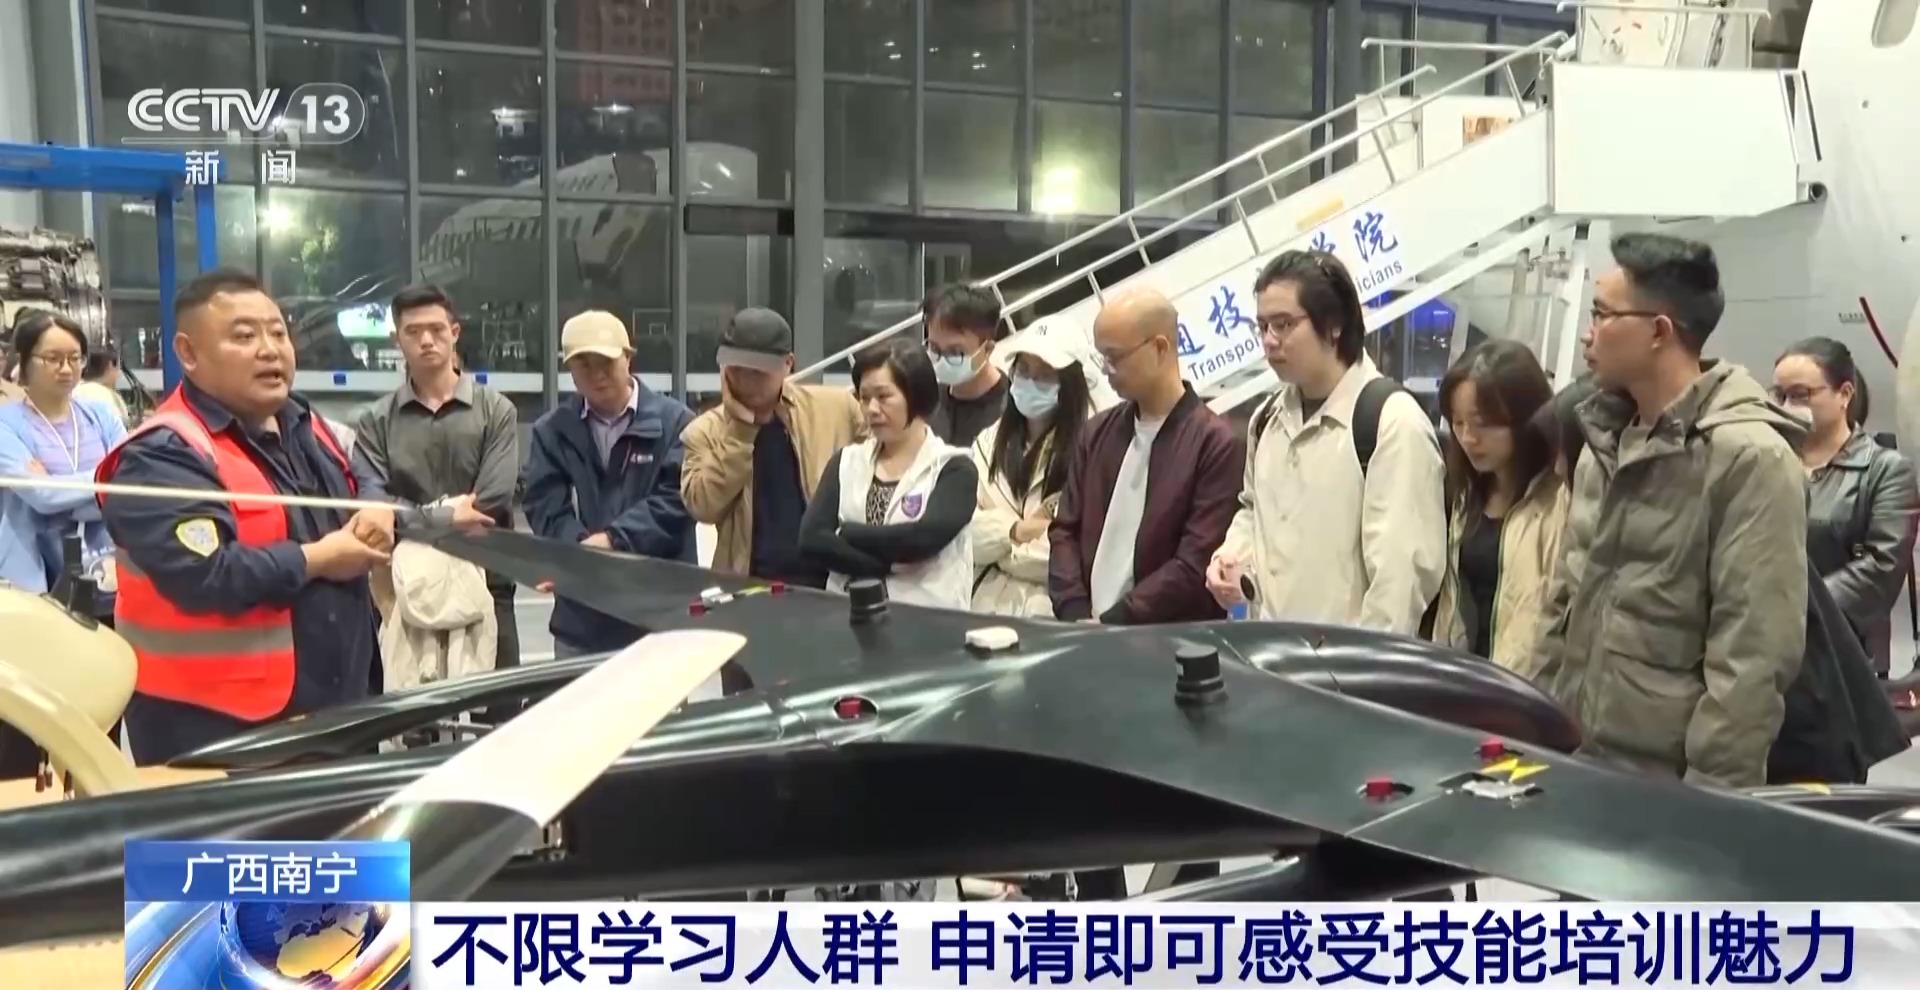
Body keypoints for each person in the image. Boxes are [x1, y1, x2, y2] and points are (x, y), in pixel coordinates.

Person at [1534, 233, 1808, 788]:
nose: (1589, 332)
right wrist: (1533, 728)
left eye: (1602, 314)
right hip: (1576, 761)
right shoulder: (1605, 442)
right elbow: (1563, 604)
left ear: (1659, 331)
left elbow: (1751, 662)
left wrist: (1708, 806)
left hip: (1666, 787)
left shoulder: (1748, 457)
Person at [97, 269, 389, 765]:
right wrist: (319, 558)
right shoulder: (162, 454)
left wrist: (376, 504)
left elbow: (365, 469)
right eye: (244, 336)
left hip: (339, 708)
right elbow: (205, 574)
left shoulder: (307, 423)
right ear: (188, 353)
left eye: (278, 332)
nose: (270, 350)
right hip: (215, 731)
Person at [1204, 250, 1445, 634]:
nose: (1269, 341)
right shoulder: (1266, 420)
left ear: (1334, 326)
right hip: (1269, 650)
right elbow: (1252, 509)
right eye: (1262, 326)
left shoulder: (1390, 422)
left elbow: (1399, 585)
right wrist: (1231, 554)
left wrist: (1354, 666)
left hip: (1341, 664)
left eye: (1284, 325)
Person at [351, 285, 517, 676]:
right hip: (406, 584)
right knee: (411, 705)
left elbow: (490, 501)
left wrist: (407, 518)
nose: (426, 340)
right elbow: (375, 507)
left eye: (437, 329)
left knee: (495, 703)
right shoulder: (376, 421)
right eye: (413, 332)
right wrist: (446, 516)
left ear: (454, 333)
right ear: (397, 339)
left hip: (486, 578)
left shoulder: (495, 410)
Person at [1051, 287, 1242, 627]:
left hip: (1169, 636)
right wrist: (1074, 610)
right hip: (1085, 629)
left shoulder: (1215, 443)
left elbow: (1193, 561)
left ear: (1159, 348)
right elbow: (1064, 530)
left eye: (1115, 357)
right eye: (1101, 357)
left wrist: (1115, 621)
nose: (1106, 370)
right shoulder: (1096, 432)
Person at [523, 310, 696, 658]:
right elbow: (544, 505)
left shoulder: (676, 423)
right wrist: (577, 549)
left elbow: (678, 499)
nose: (597, 373)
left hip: (658, 615)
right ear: (569, 369)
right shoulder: (552, 431)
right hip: (582, 618)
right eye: (583, 364)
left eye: (606, 362)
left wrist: (615, 539)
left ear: (628, 358)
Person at [680, 308, 865, 583]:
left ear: (788, 363)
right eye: (737, 369)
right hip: (749, 582)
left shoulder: (837, 409)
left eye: (758, 372)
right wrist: (740, 432)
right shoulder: (703, 431)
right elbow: (704, 507)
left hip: (832, 581)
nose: (746, 381)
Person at [1773, 337, 1920, 676]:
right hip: (1764, 650)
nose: (1786, 406)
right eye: (1778, 395)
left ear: (1844, 394)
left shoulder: (1884, 470)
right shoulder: (1767, 459)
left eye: (1800, 395)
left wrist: (1793, 608)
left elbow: (1881, 567)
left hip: (1843, 657)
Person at [799, 338, 977, 610]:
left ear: (916, 396)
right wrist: (884, 566)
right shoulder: (846, 461)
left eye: (883, 397)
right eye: (864, 398)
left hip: (926, 617)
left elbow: (922, 540)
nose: (871, 409)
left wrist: (847, 533)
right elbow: (812, 540)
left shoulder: (953, 467)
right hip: (847, 611)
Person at [1426, 339, 1569, 675]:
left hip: (1522, 691)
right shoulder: (1466, 494)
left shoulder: (1559, 501)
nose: (1468, 438)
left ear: (1525, 417)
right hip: (1462, 683)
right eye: (1458, 422)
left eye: (1483, 423)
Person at [968, 326, 1102, 617]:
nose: (1029, 381)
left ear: (1070, 383)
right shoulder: (986, 442)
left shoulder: (1094, 448)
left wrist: (999, 551)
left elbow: (1075, 552)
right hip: (981, 606)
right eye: (1024, 370)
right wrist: (1016, 531)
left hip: (1052, 612)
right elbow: (964, 533)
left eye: (1044, 374)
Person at [0, 312, 127, 606]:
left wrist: (59, 489)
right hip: (36, 577)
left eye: (75, 358)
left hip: (109, 565)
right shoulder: (6, 424)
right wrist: (104, 479)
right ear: (25, 360)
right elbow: (42, 496)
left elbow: (130, 480)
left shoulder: (100, 414)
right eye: (53, 359)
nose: (67, 369)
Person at [923, 284, 1010, 446]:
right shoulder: (926, 402)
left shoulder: (1010, 411)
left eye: (956, 352)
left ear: (987, 350)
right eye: (934, 348)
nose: (942, 359)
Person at [75, 346, 130, 427]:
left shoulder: (73, 391)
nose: (119, 374)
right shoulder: (102, 396)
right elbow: (116, 427)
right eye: (118, 368)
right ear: (110, 366)